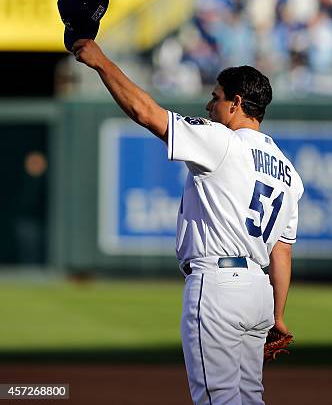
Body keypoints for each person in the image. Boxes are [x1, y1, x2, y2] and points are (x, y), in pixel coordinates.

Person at [72, 39, 303, 404]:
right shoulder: (289, 173)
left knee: (217, 399)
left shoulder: (223, 141)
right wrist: (277, 315)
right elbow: (282, 253)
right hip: (259, 293)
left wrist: (101, 62)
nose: (209, 105)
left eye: (216, 96)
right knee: (249, 399)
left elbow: (146, 112)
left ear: (236, 103)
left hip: (219, 286)